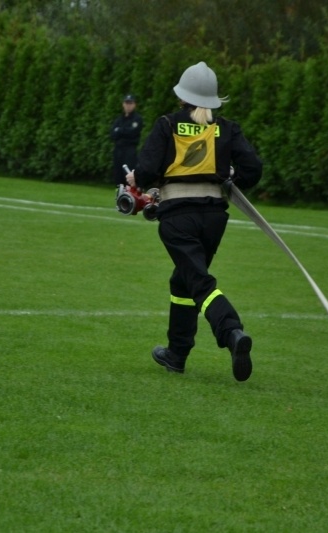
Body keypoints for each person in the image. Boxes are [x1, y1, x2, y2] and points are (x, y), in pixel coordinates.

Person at [126, 61, 263, 381]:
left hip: (177, 216)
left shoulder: (167, 124)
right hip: (215, 217)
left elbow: (146, 171)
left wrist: (136, 177)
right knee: (184, 280)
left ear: (181, 96)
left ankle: (232, 331)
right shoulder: (226, 128)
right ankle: (177, 353)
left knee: (199, 281)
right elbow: (253, 169)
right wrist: (232, 178)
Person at [110, 94, 143, 186]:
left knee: (128, 174)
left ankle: (129, 197)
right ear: (123, 104)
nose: (128, 105)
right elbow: (112, 134)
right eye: (126, 103)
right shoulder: (119, 119)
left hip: (129, 150)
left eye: (130, 103)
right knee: (118, 175)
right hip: (118, 150)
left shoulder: (137, 119)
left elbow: (133, 132)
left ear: (134, 104)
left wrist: (120, 130)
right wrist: (124, 131)